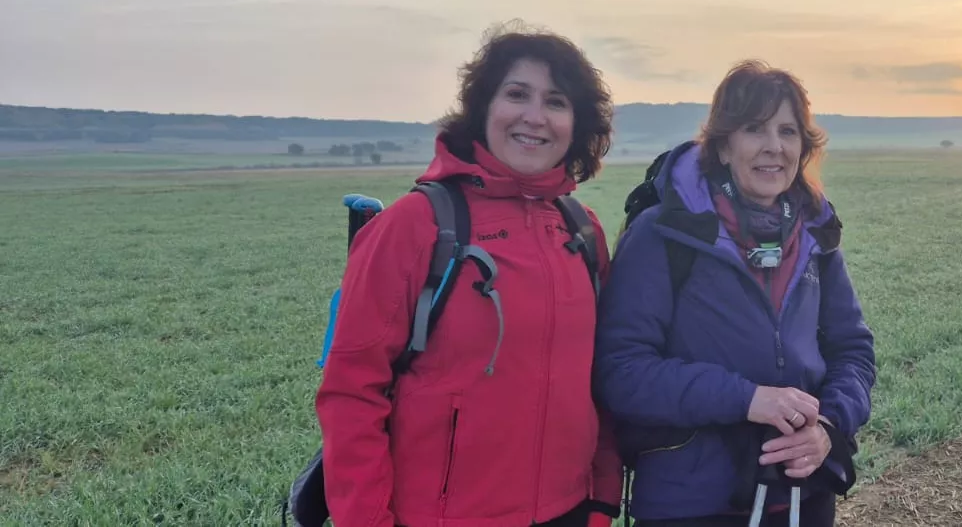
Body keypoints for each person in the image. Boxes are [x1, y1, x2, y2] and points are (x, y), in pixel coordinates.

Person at [315, 26, 623, 527]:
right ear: (483, 108)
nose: (534, 117)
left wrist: (602, 500)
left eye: (556, 101)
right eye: (517, 94)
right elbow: (352, 392)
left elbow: (600, 378)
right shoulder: (415, 226)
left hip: (569, 511)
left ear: (577, 123)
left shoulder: (581, 230)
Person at [595, 61, 877, 527]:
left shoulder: (814, 236)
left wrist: (828, 426)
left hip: (802, 494)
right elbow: (621, 371)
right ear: (723, 146)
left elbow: (854, 350)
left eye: (788, 131)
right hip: (692, 502)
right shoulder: (662, 234)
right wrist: (747, 398)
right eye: (754, 129)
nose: (774, 147)